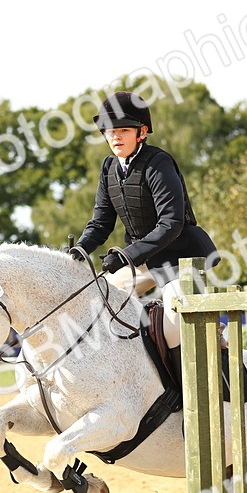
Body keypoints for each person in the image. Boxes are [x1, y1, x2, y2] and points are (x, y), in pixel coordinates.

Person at [70, 91, 217, 351]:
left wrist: (127, 255)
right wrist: (80, 249)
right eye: (109, 131)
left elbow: (171, 223)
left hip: (180, 258)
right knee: (99, 304)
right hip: (142, 262)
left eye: (124, 130)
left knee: (174, 328)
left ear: (142, 132)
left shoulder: (158, 163)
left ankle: (205, 355)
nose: (115, 136)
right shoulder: (109, 168)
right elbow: (101, 221)